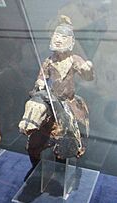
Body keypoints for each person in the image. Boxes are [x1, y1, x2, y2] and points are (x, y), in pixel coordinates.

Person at [32, 15, 94, 155]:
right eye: (56, 36)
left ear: (71, 42)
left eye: (63, 37)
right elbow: (42, 74)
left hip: (68, 100)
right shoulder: (49, 61)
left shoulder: (74, 60)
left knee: (74, 122)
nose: (58, 40)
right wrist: (40, 81)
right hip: (52, 98)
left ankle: (78, 145)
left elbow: (88, 77)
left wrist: (87, 70)